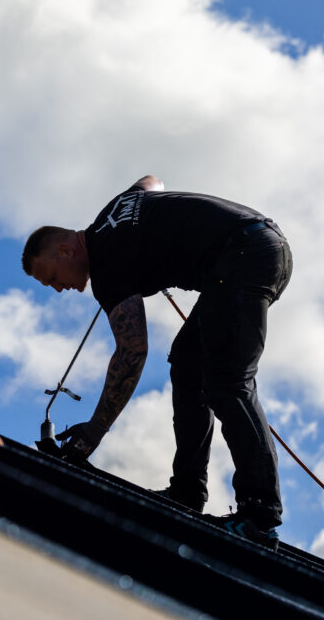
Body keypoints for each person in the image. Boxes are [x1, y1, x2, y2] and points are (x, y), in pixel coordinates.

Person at [21, 176, 292, 546]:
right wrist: (162, 234)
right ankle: (187, 491)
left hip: (243, 257)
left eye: (51, 277)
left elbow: (132, 351)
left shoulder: (107, 262)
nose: (56, 289)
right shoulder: (113, 212)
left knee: (228, 382)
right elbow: (150, 182)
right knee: (187, 365)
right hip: (252, 248)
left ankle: (259, 516)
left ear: (66, 251)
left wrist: (94, 432)